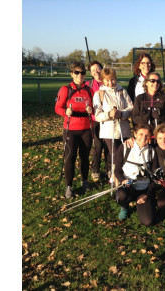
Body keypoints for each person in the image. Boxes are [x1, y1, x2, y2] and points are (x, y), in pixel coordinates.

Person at [54, 61, 94, 198]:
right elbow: (57, 108)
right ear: (72, 74)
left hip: (86, 129)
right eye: (76, 72)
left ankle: (84, 181)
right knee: (70, 157)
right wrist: (66, 112)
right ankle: (69, 186)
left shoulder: (89, 90)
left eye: (82, 72)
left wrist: (92, 110)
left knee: (84, 157)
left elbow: (96, 108)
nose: (79, 75)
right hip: (70, 128)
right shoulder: (65, 89)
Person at [93, 68, 133, 183]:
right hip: (109, 131)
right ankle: (117, 181)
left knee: (125, 154)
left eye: (113, 79)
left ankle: (127, 178)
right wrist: (109, 115)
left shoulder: (122, 91)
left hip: (123, 129)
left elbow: (131, 108)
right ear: (103, 81)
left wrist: (122, 114)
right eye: (107, 80)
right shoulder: (99, 94)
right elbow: (97, 115)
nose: (111, 83)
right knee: (115, 155)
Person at [114, 124, 158, 226]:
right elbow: (117, 171)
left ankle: (145, 203)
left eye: (147, 135)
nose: (143, 138)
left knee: (148, 222)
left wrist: (147, 194)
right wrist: (123, 181)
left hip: (144, 189)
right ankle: (125, 207)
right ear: (135, 134)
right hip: (128, 186)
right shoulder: (125, 147)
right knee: (121, 196)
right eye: (141, 134)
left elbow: (155, 177)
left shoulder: (152, 151)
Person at [85, 60, 109, 183]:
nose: (96, 72)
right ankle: (95, 170)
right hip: (96, 119)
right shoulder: (89, 85)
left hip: (108, 119)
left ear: (102, 68)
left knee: (108, 145)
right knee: (98, 145)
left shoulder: (108, 81)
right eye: (93, 70)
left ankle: (109, 168)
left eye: (97, 69)